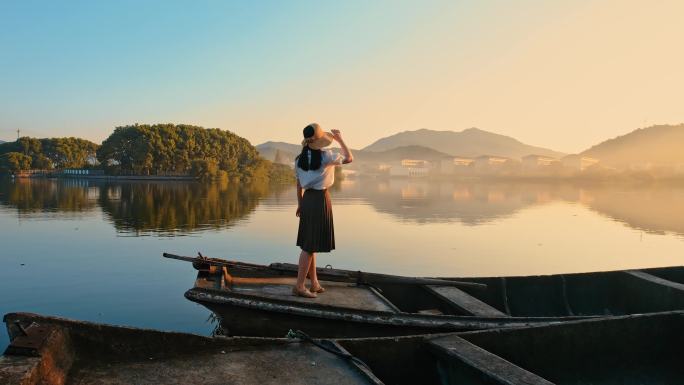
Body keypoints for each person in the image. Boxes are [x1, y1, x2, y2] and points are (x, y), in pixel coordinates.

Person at [293, 123, 353, 298]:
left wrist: (300, 204)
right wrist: (340, 139)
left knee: (311, 243)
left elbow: (298, 184)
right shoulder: (327, 156)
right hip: (320, 199)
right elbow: (349, 158)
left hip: (307, 200)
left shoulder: (298, 159)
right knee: (309, 246)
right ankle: (299, 286)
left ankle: (315, 283)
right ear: (320, 141)